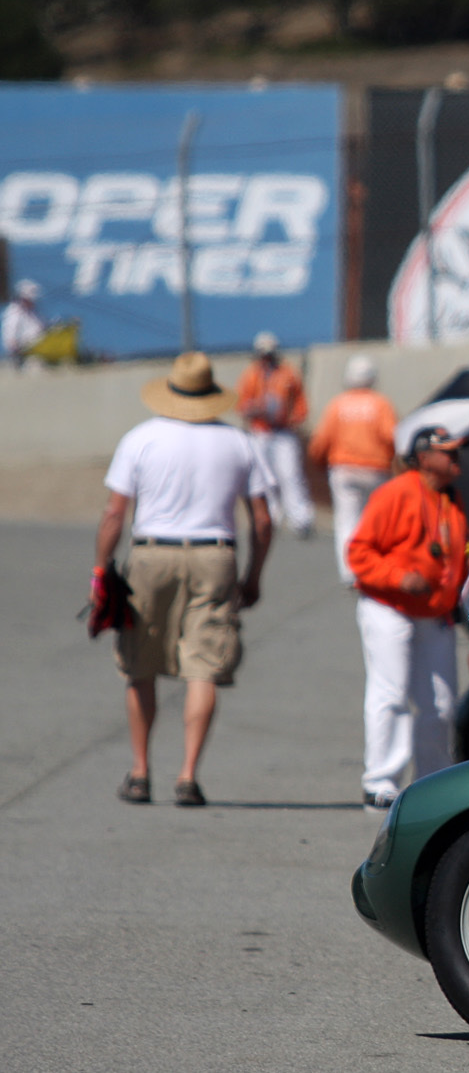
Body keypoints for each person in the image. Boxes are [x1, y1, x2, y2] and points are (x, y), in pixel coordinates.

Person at [94, 351, 274, 807]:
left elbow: (115, 512)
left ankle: (139, 771)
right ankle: (188, 775)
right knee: (204, 667)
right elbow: (262, 519)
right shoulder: (238, 442)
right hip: (215, 555)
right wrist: (254, 575)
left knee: (140, 665)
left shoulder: (140, 439)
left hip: (152, 554)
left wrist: (101, 568)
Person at [348, 426, 469, 810]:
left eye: (457, 451)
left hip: (433, 613)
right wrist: (399, 577)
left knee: (441, 702)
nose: (456, 458)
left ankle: (433, 782)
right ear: (422, 458)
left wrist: (462, 592)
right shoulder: (395, 493)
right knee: (392, 692)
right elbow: (358, 553)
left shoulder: (454, 500)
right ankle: (380, 781)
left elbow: (457, 559)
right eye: (447, 452)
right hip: (389, 605)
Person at [306, 354, 397, 584]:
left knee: (347, 521)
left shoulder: (338, 404)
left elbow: (321, 440)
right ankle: (374, 568)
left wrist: (317, 460)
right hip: (376, 471)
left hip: (343, 470)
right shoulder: (381, 403)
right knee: (375, 522)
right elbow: (392, 436)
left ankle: (350, 573)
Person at [236, 332, 314, 540]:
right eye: (263, 354)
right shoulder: (251, 374)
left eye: (270, 353)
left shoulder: (288, 373)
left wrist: (294, 418)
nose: (267, 358)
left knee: (290, 475)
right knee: (264, 478)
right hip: (260, 431)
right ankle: (271, 517)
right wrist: (255, 409)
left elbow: (300, 405)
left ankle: (301, 518)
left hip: (283, 432)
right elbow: (242, 405)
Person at [4, 280, 46, 364]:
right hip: (24, 350)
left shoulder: (34, 312)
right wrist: (15, 350)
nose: (33, 301)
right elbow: (10, 331)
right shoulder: (14, 312)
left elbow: (42, 327)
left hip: (40, 347)